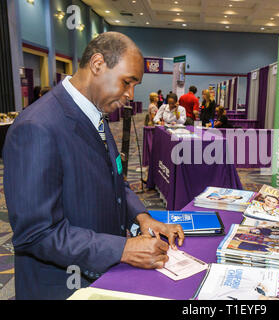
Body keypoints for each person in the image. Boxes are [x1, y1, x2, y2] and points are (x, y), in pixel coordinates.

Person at [2, 32, 184, 300]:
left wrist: (142, 217)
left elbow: (115, 181)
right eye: (127, 82)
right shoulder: (37, 127)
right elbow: (36, 233)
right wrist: (122, 249)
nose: (130, 94)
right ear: (98, 64)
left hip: (100, 276)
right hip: (60, 288)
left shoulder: (96, 115)